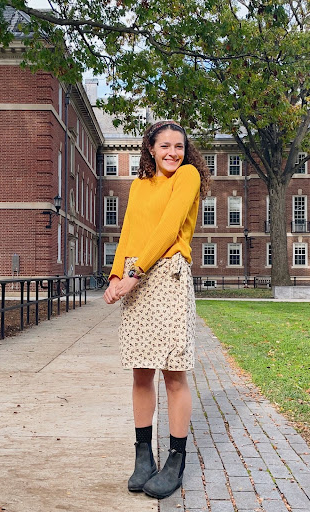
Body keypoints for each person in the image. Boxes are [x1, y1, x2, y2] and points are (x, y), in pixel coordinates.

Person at [103, 120, 210, 499]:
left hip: (167, 276)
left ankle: (176, 460)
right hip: (135, 275)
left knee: (174, 373)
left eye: (178, 147)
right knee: (141, 371)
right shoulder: (138, 186)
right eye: (164, 146)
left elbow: (168, 228)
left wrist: (133, 274)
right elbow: (129, 231)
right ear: (150, 148)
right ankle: (143, 456)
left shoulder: (188, 176)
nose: (172, 153)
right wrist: (116, 275)